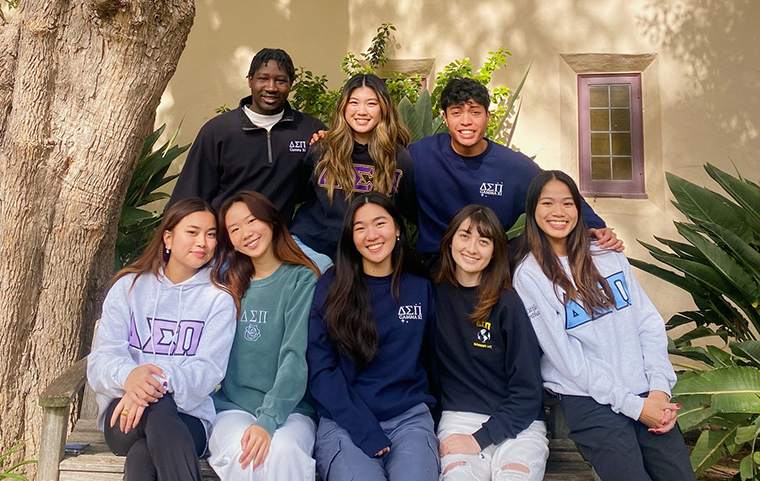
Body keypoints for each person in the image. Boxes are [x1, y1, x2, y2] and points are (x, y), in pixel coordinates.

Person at [511, 171, 694, 481]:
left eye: (568, 203)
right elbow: (567, 359)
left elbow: (647, 322)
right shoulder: (530, 276)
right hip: (590, 400)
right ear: (532, 211)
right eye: (548, 203)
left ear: (579, 209)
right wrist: (634, 407)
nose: (559, 212)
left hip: (646, 392)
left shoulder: (608, 255)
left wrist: (659, 389)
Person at [87, 198, 236, 481]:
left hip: (189, 419)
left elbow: (207, 370)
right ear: (168, 237)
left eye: (211, 234)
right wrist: (130, 377)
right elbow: (102, 360)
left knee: (142, 458)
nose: (202, 242)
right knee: (158, 407)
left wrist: (151, 384)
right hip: (125, 415)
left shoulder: (218, 298)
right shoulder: (129, 287)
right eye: (192, 232)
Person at [407, 77, 622, 266]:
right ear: (445, 118)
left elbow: (556, 192)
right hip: (436, 264)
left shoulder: (512, 166)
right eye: (456, 113)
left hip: (490, 268)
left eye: (475, 112)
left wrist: (595, 226)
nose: (466, 121)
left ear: (488, 116)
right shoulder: (422, 154)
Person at [307, 192, 439, 481]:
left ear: (397, 229)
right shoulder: (333, 287)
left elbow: (432, 358)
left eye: (380, 223)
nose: (371, 235)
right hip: (345, 421)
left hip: (410, 419)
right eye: (360, 227)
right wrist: (364, 429)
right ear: (350, 237)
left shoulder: (419, 286)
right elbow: (320, 368)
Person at [208, 191, 320, 481]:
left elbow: (295, 355)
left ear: (271, 220)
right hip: (233, 408)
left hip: (292, 410)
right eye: (234, 229)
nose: (246, 233)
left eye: (252, 220)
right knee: (245, 456)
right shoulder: (227, 284)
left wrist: (268, 419)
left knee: (282, 451)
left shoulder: (302, 279)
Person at [435, 205, 549, 480]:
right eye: (464, 236)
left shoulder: (507, 302)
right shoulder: (432, 295)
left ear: (495, 250)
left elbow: (528, 390)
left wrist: (483, 437)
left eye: (483, 241)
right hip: (460, 419)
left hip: (519, 425)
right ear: (450, 240)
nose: (472, 248)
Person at [169, 48, 326, 219]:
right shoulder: (218, 131)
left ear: (291, 84)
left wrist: (323, 150)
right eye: (263, 79)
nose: (271, 87)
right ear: (250, 80)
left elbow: (321, 189)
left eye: (280, 81)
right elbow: (191, 192)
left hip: (279, 239)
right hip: (226, 238)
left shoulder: (309, 129)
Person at [290, 73, 414, 272]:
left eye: (371, 104)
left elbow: (407, 209)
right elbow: (296, 194)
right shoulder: (321, 150)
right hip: (312, 244)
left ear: (384, 109)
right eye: (354, 102)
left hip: (366, 252)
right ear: (343, 107)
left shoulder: (398, 160)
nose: (362, 111)